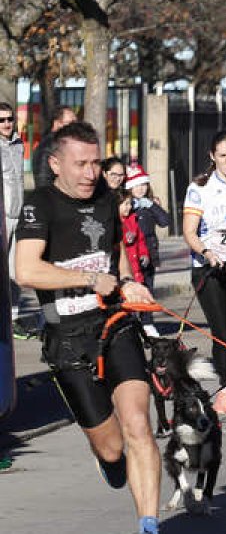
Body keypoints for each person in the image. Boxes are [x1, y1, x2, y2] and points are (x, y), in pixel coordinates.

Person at [14, 121, 160, 534]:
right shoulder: (38, 204)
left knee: (138, 423)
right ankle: (108, 460)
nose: (90, 173)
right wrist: (86, 280)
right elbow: (26, 270)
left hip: (114, 324)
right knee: (113, 448)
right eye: (80, 164)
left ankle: (148, 524)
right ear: (56, 164)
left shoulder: (106, 200)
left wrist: (132, 285)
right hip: (68, 340)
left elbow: (117, 262)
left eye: (95, 162)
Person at [182, 130, 226, 415]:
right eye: (222, 155)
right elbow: (189, 231)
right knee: (222, 332)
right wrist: (206, 252)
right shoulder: (199, 187)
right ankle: (225, 387)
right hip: (209, 267)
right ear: (213, 156)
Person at [125, 165, 169, 293]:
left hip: (149, 252)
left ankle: (147, 314)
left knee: (148, 290)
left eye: (143, 184)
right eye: (136, 185)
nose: (140, 188)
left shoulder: (150, 204)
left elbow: (164, 222)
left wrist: (152, 206)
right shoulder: (126, 206)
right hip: (132, 254)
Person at [1, 102, 25, 334]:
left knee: (15, 269)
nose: (7, 123)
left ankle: (14, 317)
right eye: (2, 120)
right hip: (2, 215)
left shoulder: (19, 144)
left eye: (10, 119)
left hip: (18, 213)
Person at [31, 105, 76, 189]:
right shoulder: (48, 145)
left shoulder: (62, 142)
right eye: (71, 123)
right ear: (57, 123)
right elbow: (43, 178)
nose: (74, 127)